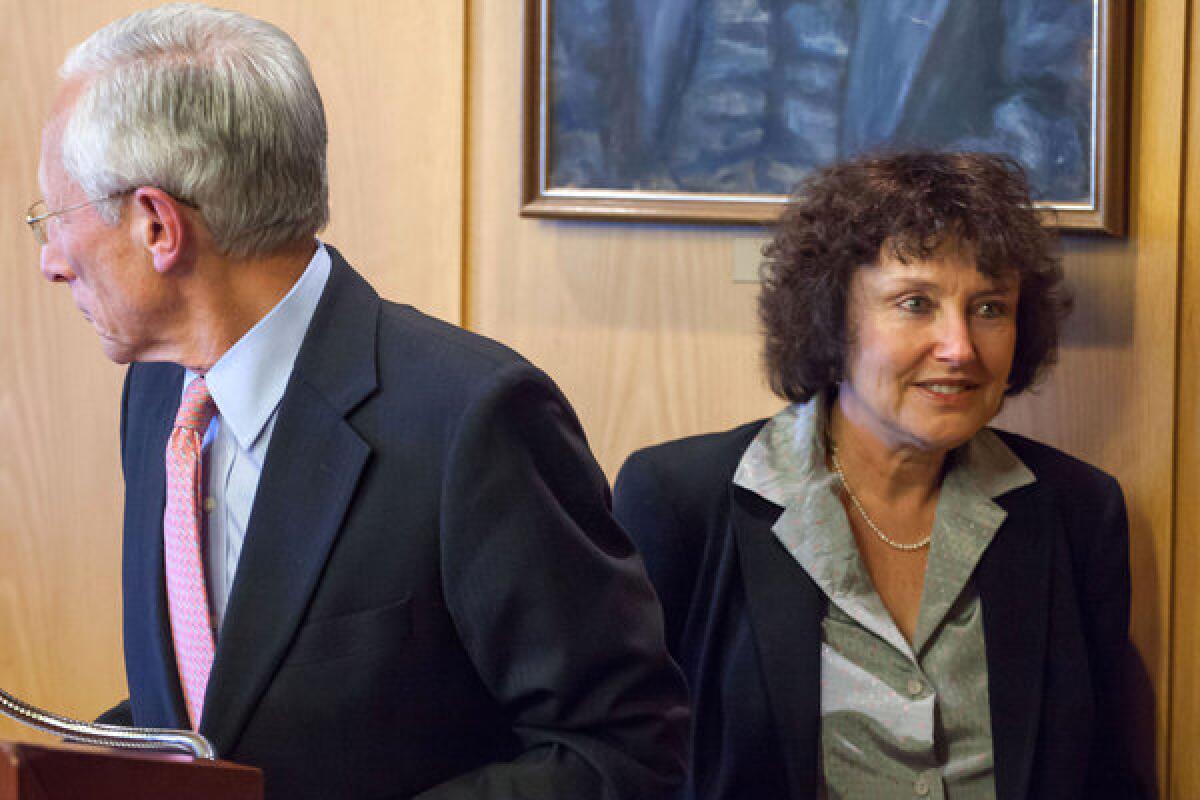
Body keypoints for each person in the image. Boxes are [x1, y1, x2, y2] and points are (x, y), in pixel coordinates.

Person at [29, 5, 688, 798]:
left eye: (55, 218)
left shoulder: (474, 420)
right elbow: (217, 708)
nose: (50, 261)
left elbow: (621, 752)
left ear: (157, 226)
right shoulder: (157, 392)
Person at [614, 152, 1142, 799]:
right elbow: (624, 763)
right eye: (916, 303)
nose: (960, 348)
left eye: (989, 308)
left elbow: (1111, 776)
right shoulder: (680, 502)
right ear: (832, 319)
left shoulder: (1080, 512)